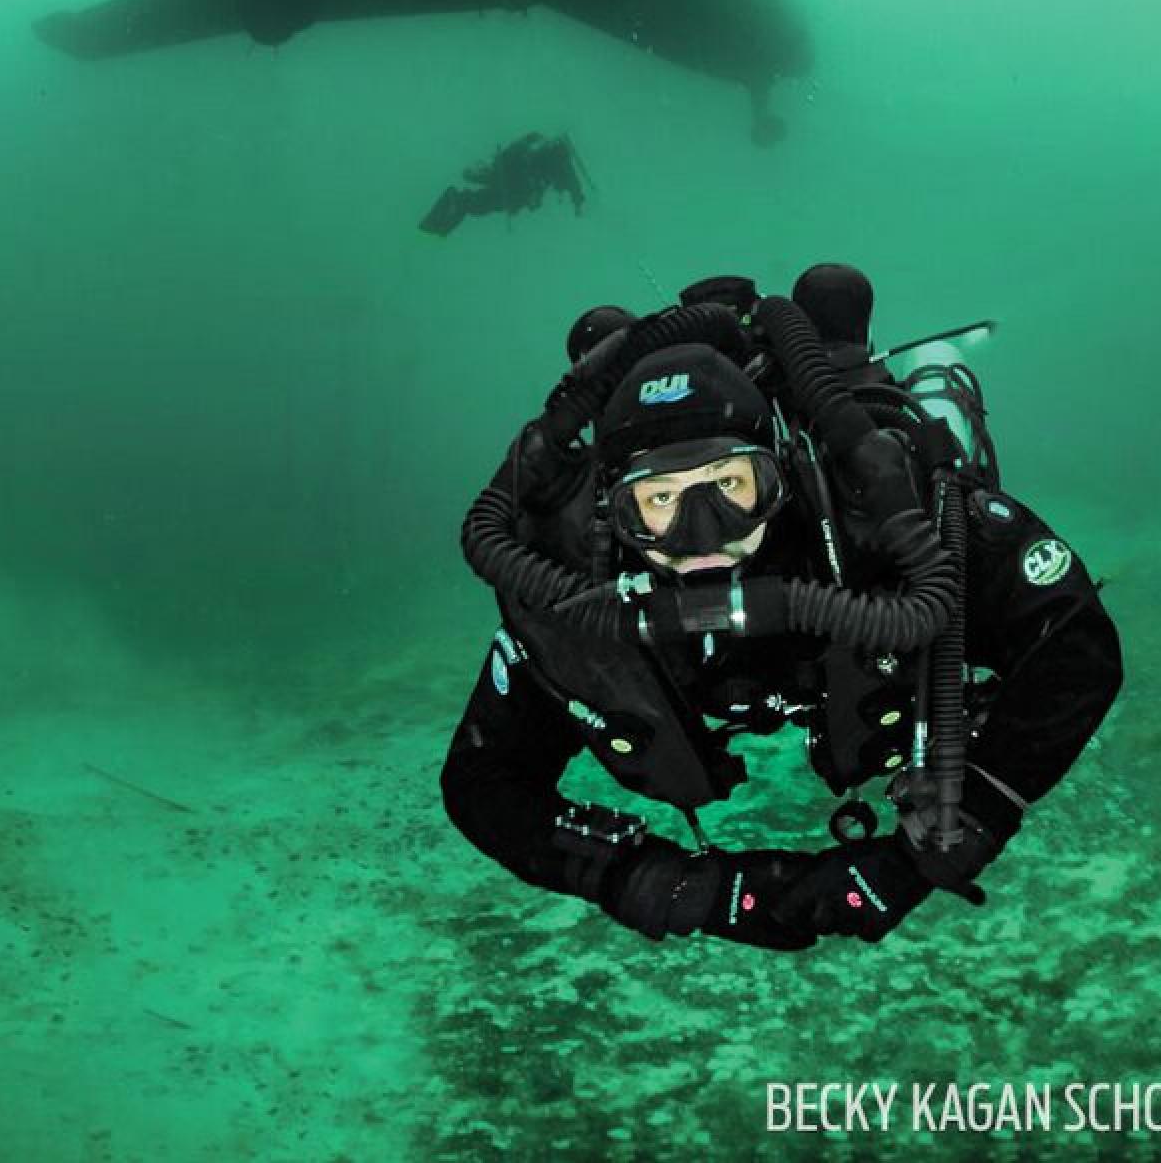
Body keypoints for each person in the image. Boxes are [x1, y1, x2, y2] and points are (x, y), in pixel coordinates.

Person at [441, 265, 1123, 952]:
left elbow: (1074, 645)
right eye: (659, 501)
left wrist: (958, 829)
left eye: (730, 485)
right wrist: (662, 884)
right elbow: (481, 779)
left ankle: (835, 350)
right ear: (610, 516)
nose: (703, 536)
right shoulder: (572, 585)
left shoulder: (879, 525)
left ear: (781, 476)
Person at [419, 132, 588, 236]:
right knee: (476, 202)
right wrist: (578, 201)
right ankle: (439, 219)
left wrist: (577, 201)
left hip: (511, 185)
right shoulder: (555, 161)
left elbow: (571, 185)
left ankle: (438, 222)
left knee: (474, 203)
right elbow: (571, 184)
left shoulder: (551, 158)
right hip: (511, 182)